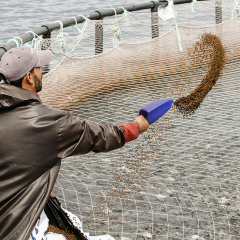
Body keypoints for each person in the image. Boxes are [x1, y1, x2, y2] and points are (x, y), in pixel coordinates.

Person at [0, 46, 149, 240]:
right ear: (29, 77)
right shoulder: (48, 122)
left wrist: (38, 184)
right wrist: (136, 127)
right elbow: (98, 136)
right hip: (15, 229)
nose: (42, 72)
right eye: (39, 69)